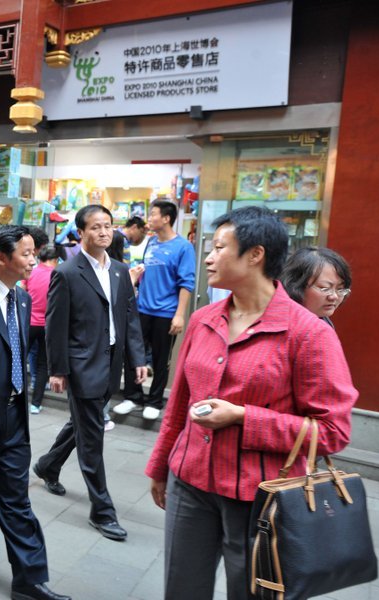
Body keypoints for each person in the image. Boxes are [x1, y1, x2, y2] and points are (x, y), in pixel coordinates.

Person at [145, 206, 357, 600]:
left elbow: (333, 431)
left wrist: (243, 417)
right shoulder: (203, 319)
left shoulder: (308, 333)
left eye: (219, 247)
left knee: (252, 592)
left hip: (260, 497)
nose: (208, 257)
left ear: (255, 254)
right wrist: (160, 467)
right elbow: (179, 404)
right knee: (181, 587)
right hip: (189, 482)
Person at [0, 226, 70, 600]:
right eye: (26, 253)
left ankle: (29, 581)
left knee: (17, 502)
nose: (33, 260)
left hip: (14, 420)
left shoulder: (21, 298)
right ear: (2, 257)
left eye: (34, 252)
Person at [32, 205, 147, 544]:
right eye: (95, 227)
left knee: (85, 421)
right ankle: (102, 510)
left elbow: (129, 317)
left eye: (108, 226)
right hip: (82, 364)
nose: (103, 232)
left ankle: (48, 465)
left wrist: (137, 358)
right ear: (81, 233)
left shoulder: (120, 271)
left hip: (111, 362)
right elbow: (55, 324)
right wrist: (57, 369)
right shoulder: (67, 272)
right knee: (92, 437)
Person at [115, 200, 195, 421]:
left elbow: (187, 283)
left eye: (153, 214)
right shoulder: (151, 242)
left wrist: (179, 315)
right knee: (133, 353)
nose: (149, 219)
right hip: (142, 309)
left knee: (160, 360)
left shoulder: (184, 247)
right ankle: (132, 397)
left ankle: (154, 401)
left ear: (166, 218)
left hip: (166, 312)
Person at [280, 246, 352, 327]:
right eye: (325, 288)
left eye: (340, 289)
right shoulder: (284, 325)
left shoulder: (323, 321)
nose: (334, 296)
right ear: (296, 285)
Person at [25, 245, 58, 414]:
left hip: (29, 322)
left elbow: (22, 290)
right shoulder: (56, 274)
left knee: (19, 359)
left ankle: (12, 395)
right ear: (55, 260)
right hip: (47, 325)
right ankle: (35, 404)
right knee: (43, 364)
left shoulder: (31, 271)